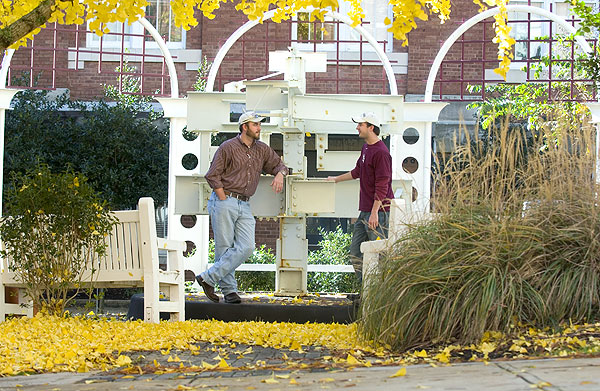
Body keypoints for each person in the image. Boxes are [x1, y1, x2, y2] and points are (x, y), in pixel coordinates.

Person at [197, 111, 288, 304]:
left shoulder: (262, 149)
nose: (259, 128)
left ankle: (208, 278)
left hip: (245, 203)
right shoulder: (227, 147)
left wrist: (280, 174)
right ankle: (229, 292)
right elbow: (212, 174)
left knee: (247, 247)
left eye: (259, 125)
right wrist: (222, 197)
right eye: (255, 125)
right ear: (244, 127)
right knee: (224, 248)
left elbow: (280, 165)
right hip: (225, 200)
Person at [328, 112, 394, 286]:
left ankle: (378, 294)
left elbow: (383, 184)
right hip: (365, 212)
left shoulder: (381, 153)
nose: (357, 127)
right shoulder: (366, 148)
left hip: (379, 214)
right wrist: (335, 179)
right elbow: (357, 171)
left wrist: (374, 213)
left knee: (379, 256)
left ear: (371, 128)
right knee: (355, 253)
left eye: (360, 125)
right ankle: (367, 291)